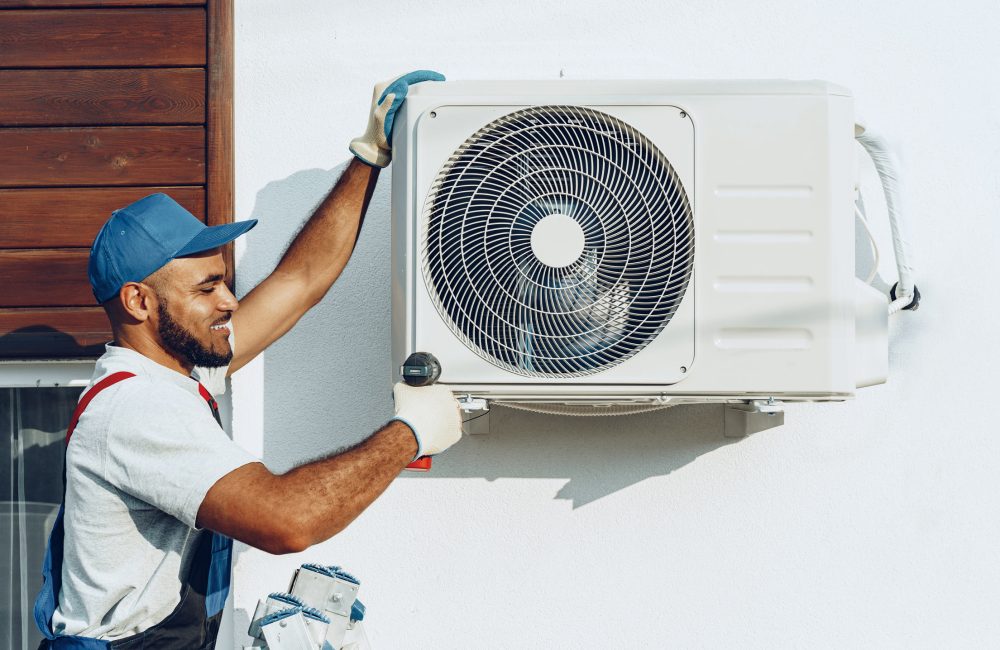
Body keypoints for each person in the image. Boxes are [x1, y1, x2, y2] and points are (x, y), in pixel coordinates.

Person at [33, 71, 462, 649]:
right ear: (139, 302)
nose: (230, 302)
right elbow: (287, 521)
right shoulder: (141, 407)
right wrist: (409, 434)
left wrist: (369, 157)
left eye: (225, 282)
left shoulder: (176, 366)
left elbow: (300, 280)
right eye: (206, 288)